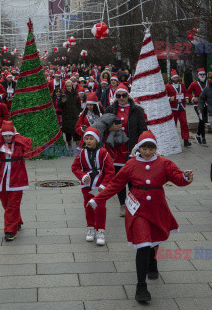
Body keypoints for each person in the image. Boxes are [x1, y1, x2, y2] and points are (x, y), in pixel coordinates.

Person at [88, 130, 193, 302]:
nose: (147, 152)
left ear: (155, 148)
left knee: (155, 238)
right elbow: (115, 185)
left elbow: (178, 179)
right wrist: (96, 200)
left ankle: (153, 261)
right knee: (143, 243)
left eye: (151, 148)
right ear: (139, 148)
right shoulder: (130, 165)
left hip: (157, 208)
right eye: (144, 148)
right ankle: (141, 286)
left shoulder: (164, 163)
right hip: (137, 210)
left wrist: (186, 176)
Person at [104, 85, 147, 216]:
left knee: (133, 179)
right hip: (115, 152)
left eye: (124, 95)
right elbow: (102, 127)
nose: (121, 98)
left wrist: (142, 146)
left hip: (131, 149)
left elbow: (143, 129)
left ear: (128, 95)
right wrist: (110, 128)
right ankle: (122, 204)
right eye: (118, 96)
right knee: (119, 179)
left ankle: (132, 203)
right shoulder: (110, 109)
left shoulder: (137, 110)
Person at [0, 121, 32, 242]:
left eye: (9, 135)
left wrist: (16, 135)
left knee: (12, 205)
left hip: (17, 178)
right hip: (2, 178)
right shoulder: (0, 142)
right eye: (5, 135)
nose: (8, 138)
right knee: (6, 204)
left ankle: (10, 230)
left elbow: (28, 145)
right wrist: (0, 137)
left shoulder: (18, 142)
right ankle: (17, 221)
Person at [71, 127, 114, 245]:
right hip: (87, 186)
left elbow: (110, 170)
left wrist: (104, 185)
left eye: (91, 139)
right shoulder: (81, 153)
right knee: (88, 206)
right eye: (86, 138)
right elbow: (75, 167)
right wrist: (83, 176)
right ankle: (90, 228)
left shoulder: (103, 152)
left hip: (100, 185)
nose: (88, 141)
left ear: (97, 140)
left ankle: (100, 231)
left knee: (100, 207)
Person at [166, 69, 191, 147]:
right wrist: (169, 99)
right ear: (171, 78)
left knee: (184, 123)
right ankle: (173, 141)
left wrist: (186, 98)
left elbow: (185, 92)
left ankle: (186, 140)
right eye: (174, 78)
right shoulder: (167, 86)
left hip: (182, 106)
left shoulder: (181, 84)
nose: (175, 79)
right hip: (173, 107)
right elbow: (164, 96)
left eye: (176, 78)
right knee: (173, 125)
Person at [187, 68, 209, 144]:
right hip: (198, 104)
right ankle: (203, 137)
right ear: (198, 75)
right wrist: (193, 98)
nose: (202, 76)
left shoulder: (209, 82)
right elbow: (188, 93)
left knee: (203, 120)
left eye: (203, 74)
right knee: (202, 120)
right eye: (201, 75)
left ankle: (198, 135)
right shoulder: (194, 84)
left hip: (207, 104)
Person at [59, 80, 81, 152]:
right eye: (67, 86)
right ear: (65, 86)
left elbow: (78, 104)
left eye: (70, 86)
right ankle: (69, 146)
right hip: (66, 116)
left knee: (76, 131)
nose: (69, 87)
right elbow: (59, 105)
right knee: (68, 132)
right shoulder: (63, 94)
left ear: (72, 86)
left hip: (74, 115)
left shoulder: (76, 93)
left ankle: (78, 146)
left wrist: (78, 112)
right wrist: (62, 102)